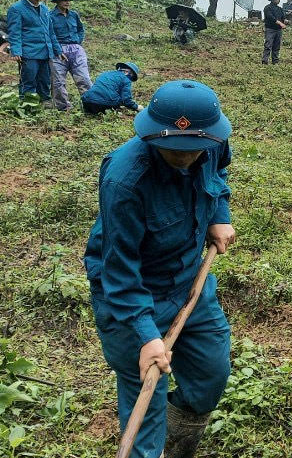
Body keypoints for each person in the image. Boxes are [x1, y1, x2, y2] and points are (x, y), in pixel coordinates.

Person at [83, 79, 237, 458]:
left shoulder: (213, 144)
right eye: (173, 148)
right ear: (152, 132)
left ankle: (179, 432)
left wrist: (218, 214)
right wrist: (145, 335)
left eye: (193, 149)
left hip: (188, 284)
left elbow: (219, 176)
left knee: (211, 375)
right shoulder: (125, 180)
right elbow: (118, 271)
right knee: (144, 405)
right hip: (131, 297)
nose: (185, 155)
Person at [6, 0, 62, 102]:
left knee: (44, 79)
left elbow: (51, 32)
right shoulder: (16, 9)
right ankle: (28, 103)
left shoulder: (45, 9)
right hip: (29, 51)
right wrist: (16, 51)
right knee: (29, 78)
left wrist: (57, 49)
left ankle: (45, 101)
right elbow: (14, 32)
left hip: (45, 51)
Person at [49, 0, 92, 111]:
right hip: (58, 50)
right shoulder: (51, 16)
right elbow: (50, 35)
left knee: (84, 78)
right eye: (63, 0)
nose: (67, 2)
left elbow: (80, 29)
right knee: (58, 81)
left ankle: (90, 103)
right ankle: (63, 107)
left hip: (76, 49)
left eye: (68, 0)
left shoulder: (74, 15)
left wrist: (78, 41)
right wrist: (58, 50)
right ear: (57, 1)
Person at [262, 0, 287, 65]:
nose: (278, 0)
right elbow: (271, 17)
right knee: (268, 45)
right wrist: (280, 23)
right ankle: (265, 61)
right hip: (270, 29)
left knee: (276, 46)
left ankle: (275, 61)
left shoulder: (280, 9)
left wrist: (285, 21)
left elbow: (283, 18)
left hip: (278, 30)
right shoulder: (267, 8)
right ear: (272, 0)